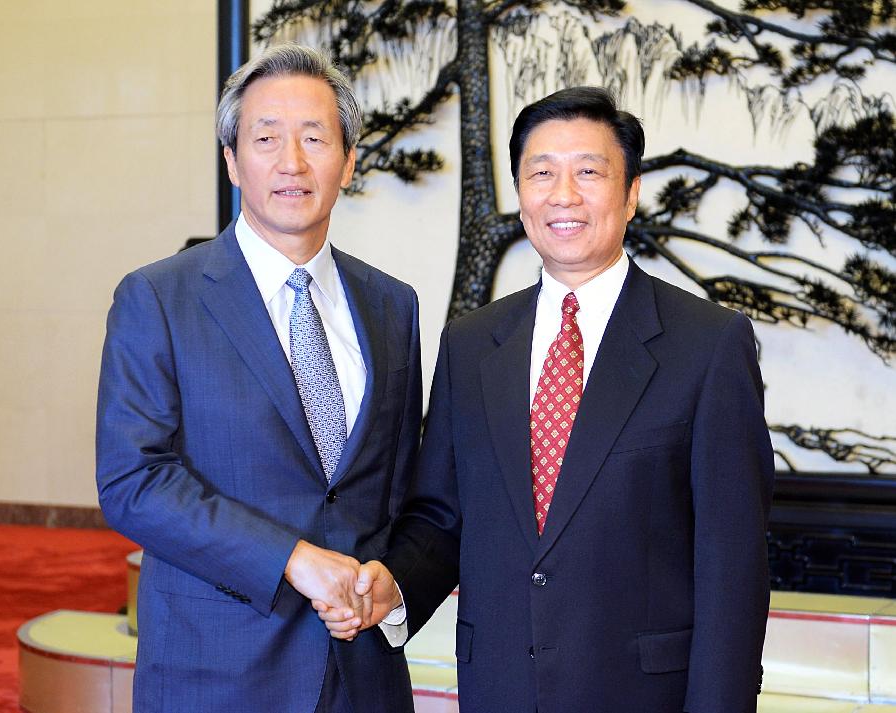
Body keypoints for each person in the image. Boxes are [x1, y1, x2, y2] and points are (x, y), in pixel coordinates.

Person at [321, 87, 775, 713]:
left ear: (631, 192)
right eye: (541, 173)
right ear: (520, 192)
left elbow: (733, 567)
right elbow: (444, 517)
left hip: (644, 696)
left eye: (589, 172)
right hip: (500, 689)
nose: (564, 195)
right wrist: (393, 586)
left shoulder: (709, 344)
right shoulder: (472, 342)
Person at [96, 43, 420, 713]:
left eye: (314, 138)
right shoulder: (159, 297)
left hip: (364, 676)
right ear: (232, 161)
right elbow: (134, 480)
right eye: (266, 138)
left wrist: (394, 581)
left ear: (350, 161)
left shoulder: (393, 305)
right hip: (217, 673)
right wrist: (292, 558)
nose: (292, 162)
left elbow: (397, 486)